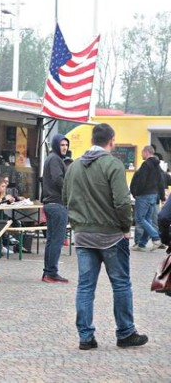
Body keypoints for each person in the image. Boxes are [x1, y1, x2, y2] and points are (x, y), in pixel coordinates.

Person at [63, 123, 148, 350]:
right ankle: (125, 332)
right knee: (120, 284)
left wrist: (78, 222)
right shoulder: (113, 164)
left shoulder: (73, 167)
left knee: (85, 287)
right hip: (111, 234)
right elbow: (122, 201)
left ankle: (85, 337)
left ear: (92, 139)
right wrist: (125, 227)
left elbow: (65, 198)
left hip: (83, 236)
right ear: (111, 140)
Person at [41, 134, 70, 283]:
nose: (64, 147)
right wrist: (70, 190)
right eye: (62, 145)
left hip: (52, 204)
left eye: (66, 145)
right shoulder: (55, 159)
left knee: (52, 240)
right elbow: (58, 179)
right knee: (56, 240)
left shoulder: (53, 159)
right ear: (56, 145)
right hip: (57, 204)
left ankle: (48, 272)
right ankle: (51, 272)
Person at [129, 145, 164, 251]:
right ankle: (141, 244)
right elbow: (160, 181)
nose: (141, 154)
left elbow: (141, 181)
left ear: (146, 152)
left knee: (140, 218)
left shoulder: (146, 164)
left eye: (142, 152)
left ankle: (156, 238)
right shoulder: (157, 165)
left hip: (144, 195)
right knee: (147, 219)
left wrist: (136, 193)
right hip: (154, 195)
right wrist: (161, 196)